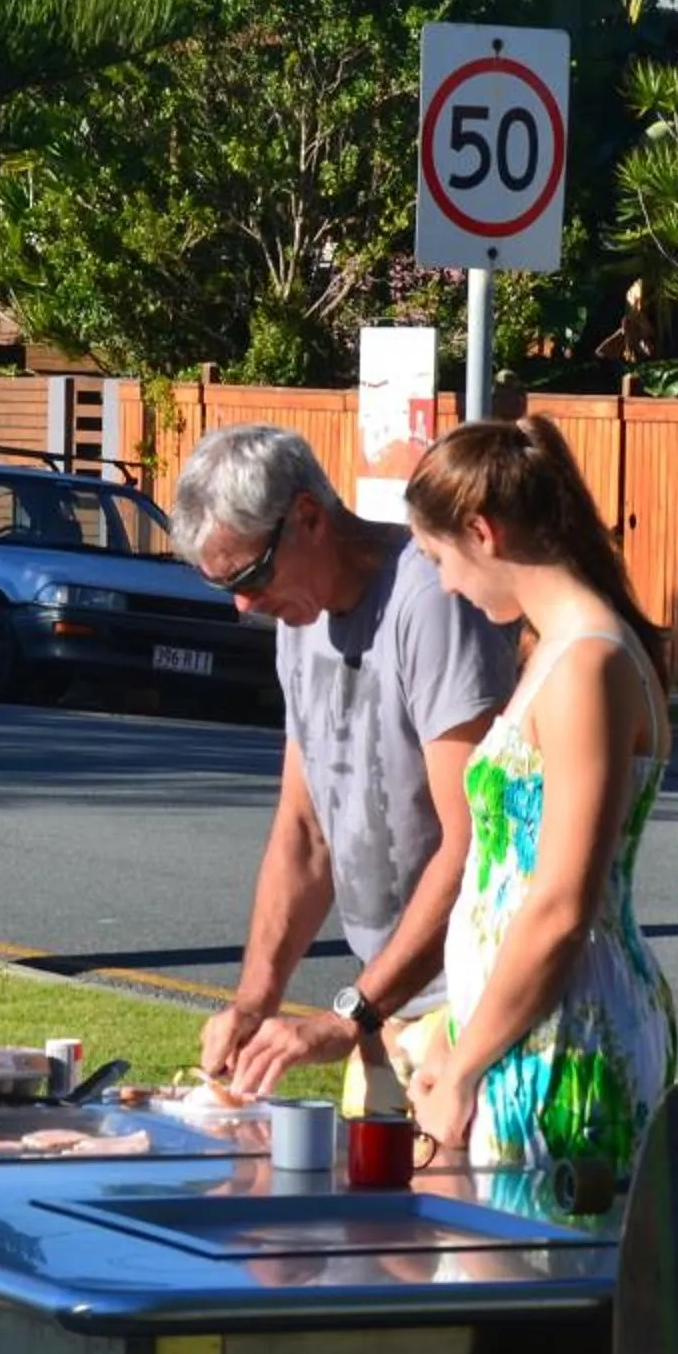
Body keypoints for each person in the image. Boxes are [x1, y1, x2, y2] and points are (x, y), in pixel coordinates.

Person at [171, 424, 519, 1098]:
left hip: (473, 1010)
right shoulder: (297, 625)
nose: (246, 604)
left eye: (251, 575)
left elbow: (477, 839)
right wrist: (255, 1000)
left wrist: (354, 1011)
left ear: (308, 517)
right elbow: (304, 835)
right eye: (227, 588)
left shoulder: (429, 604)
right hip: (388, 1014)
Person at [398, 416, 677, 1173]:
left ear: (482, 532)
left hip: (567, 1045)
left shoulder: (588, 664)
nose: (446, 585)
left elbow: (559, 906)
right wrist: (455, 1036)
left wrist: (461, 1069)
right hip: (525, 1032)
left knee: (522, 1275)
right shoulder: (557, 652)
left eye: (438, 559)